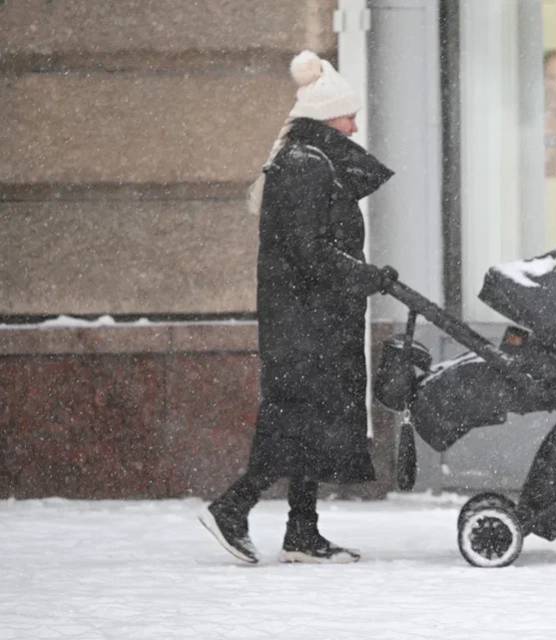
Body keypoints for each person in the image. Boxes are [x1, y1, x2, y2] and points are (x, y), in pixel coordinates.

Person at [199, 50, 395, 564]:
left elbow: (314, 250)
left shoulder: (313, 162)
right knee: (296, 423)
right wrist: (367, 276)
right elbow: (311, 252)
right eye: (348, 115)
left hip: (310, 320)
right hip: (305, 325)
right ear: (326, 118)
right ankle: (232, 507)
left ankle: (302, 533)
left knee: (307, 425)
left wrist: (360, 278)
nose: (355, 126)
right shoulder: (305, 167)